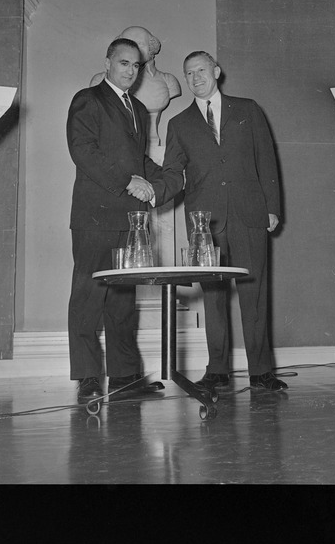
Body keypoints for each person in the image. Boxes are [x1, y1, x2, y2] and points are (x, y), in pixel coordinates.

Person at [152, 51, 287, 392]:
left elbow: (266, 160)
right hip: (205, 224)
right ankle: (218, 369)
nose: (195, 77)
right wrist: (152, 190)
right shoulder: (179, 124)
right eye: (189, 73)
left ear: (216, 70)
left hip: (249, 214)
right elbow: (172, 172)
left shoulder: (248, 110)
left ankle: (260, 371)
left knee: (254, 293)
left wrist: (272, 208)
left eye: (200, 70)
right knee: (213, 296)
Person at [66, 37, 164, 401]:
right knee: (88, 298)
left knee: (122, 302)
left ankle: (125, 377)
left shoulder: (138, 108)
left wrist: (167, 179)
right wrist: (128, 181)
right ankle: (88, 378)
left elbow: (140, 164)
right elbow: (83, 151)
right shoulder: (87, 100)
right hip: (95, 216)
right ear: (107, 62)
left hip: (130, 220)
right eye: (124, 63)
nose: (131, 71)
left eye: (136, 66)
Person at [90, 26, 182, 156]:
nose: (134, 49)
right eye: (129, 43)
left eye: (140, 44)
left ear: (151, 49)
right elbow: (84, 150)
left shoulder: (168, 82)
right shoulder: (95, 88)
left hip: (151, 152)